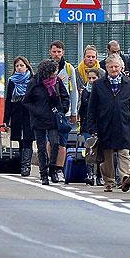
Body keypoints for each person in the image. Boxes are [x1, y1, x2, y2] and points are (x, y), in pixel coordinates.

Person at [87, 53, 130, 193]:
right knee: (107, 154)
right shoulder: (99, 85)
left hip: (123, 123)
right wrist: (92, 126)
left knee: (124, 151)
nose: (114, 69)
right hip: (104, 124)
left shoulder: (129, 84)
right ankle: (109, 181)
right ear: (106, 68)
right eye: (111, 67)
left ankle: (125, 178)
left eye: (116, 66)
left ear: (121, 67)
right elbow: (92, 108)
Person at [23, 59, 70, 185]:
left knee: (55, 143)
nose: (55, 74)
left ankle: (53, 169)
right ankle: (43, 173)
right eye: (53, 72)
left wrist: (63, 109)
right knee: (41, 147)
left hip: (53, 118)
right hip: (39, 120)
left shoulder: (57, 82)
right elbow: (26, 101)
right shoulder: (34, 83)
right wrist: (37, 111)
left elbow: (65, 96)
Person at [49, 40, 78, 175]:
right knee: (50, 140)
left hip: (64, 111)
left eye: (59, 52)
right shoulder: (46, 67)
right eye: (54, 51)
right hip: (49, 111)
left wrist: (73, 111)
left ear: (63, 53)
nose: (56, 54)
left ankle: (59, 169)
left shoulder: (68, 68)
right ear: (50, 52)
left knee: (62, 141)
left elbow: (74, 90)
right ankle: (51, 165)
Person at [3, 56, 33, 177]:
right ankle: (21, 164)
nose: (19, 68)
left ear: (27, 66)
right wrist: (5, 119)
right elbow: (8, 100)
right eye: (17, 66)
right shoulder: (12, 81)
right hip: (16, 114)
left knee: (28, 139)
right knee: (20, 140)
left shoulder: (32, 80)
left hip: (29, 114)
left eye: (21, 65)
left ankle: (26, 165)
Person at [77, 66, 105, 185]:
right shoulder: (85, 92)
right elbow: (82, 108)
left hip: (101, 125)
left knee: (99, 151)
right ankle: (89, 174)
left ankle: (99, 175)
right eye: (89, 78)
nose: (92, 80)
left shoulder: (103, 92)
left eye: (94, 78)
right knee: (88, 149)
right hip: (87, 125)